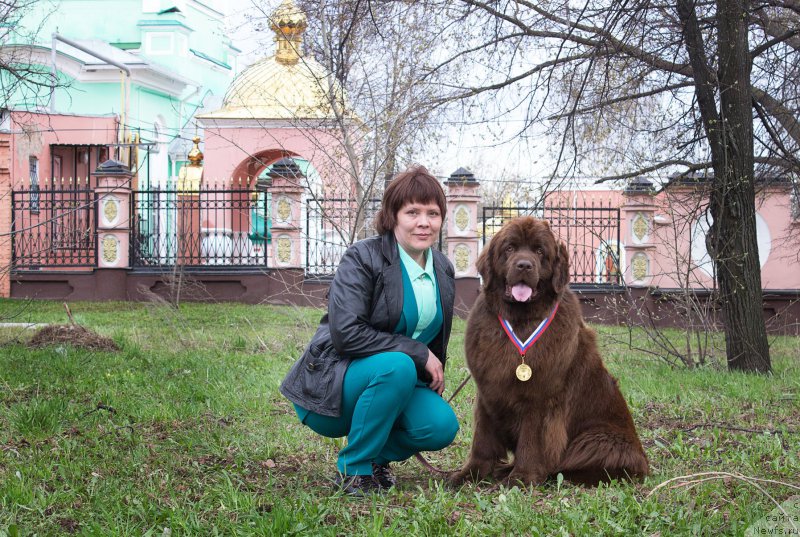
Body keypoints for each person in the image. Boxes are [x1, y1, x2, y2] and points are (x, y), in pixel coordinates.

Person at [279, 165, 459, 495]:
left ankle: (375, 457)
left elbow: (434, 338)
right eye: (413, 212)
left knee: (440, 426)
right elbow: (346, 334)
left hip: (395, 382)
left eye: (433, 213)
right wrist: (418, 352)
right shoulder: (363, 257)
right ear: (393, 216)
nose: (424, 222)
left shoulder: (443, 268)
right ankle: (354, 470)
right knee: (398, 364)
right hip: (333, 385)